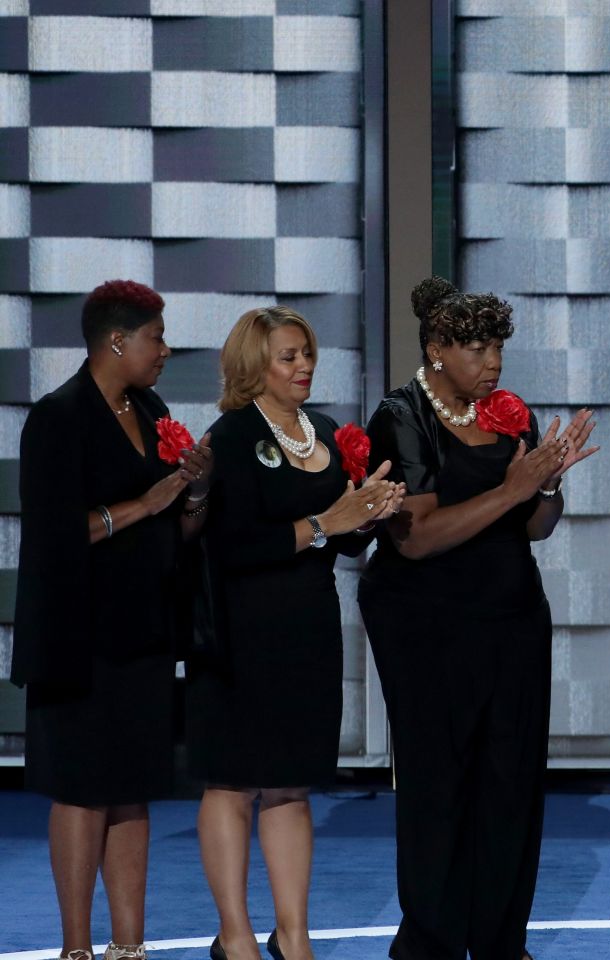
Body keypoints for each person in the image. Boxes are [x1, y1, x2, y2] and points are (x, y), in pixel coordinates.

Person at [360, 278, 597, 960]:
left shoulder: (508, 412)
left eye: (497, 346)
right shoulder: (401, 416)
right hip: (425, 627)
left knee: (511, 783)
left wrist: (545, 486)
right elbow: (416, 537)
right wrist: (512, 489)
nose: (492, 362)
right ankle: (432, 942)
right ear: (436, 349)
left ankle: (500, 941)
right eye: (476, 347)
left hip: (513, 618)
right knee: (439, 787)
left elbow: (537, 528)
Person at [189, 307, 404, 960]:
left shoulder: (331, 434)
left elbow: (341, 547)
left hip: (307, 630)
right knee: (231, 781)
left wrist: (367, 517)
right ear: (255, 366)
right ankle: (234, 936)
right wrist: (325, 523)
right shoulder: (228, 438)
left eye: (307, 353)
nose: (305, 365)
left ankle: (293, 936)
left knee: (289, 784)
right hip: (237, 631)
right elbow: (230, 546)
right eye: (289, 356)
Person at [13, 280, 213, 960]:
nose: (165, 350)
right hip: (77, 634)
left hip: (144, 631)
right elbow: (51, 533)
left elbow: (178, 529)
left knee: (133, 792)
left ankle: (131, 946)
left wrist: (194, 492)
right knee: (81, 789)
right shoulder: (58, 417)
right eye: (156, 337)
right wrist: (149, 505)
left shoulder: (153, 409)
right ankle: (76, 948)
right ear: (117, 340)